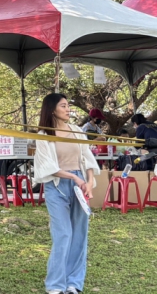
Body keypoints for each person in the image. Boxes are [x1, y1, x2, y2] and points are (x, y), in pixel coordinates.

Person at [34, 93, 100, 294]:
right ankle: (55, 285)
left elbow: (88, 158)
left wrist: (89, 181)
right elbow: (47, 166)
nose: (68, 109)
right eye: (63, 105)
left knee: (79, 234)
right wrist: (73, 178)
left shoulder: (77, 130)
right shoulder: (44, 135)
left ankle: (74, 283)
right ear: (52, 109)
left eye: (68, 105)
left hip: (79, 183)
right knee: (63, 234)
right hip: (56, 185)